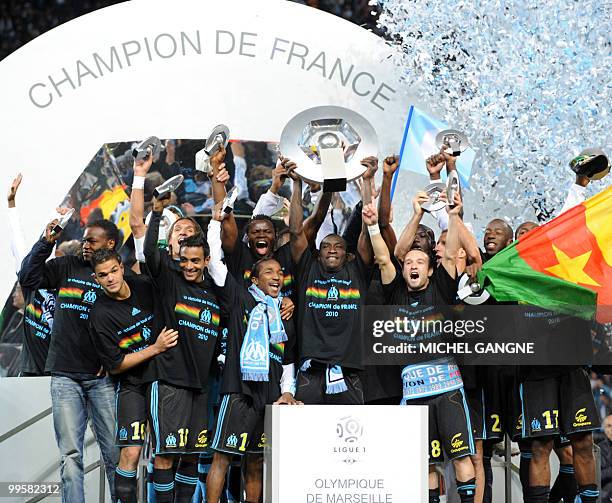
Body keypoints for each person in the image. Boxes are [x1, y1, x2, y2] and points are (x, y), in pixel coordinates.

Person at [363, 191, 477, 503]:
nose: (413, 265)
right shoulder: (395, 291)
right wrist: (373, 227)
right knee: (425, 462)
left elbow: (453, 254)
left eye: (420, 262)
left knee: (461, 457)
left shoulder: (441, 285)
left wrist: (453, 216)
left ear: (430, 269)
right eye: (409, 262)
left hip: (448, 388)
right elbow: (385, 257)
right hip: (413, 393)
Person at [18, 216, 121, 503]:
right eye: (85, 239)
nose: (85, 245)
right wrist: (45, 242)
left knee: (114, 454)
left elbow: (131, 322)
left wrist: (114, 358)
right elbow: (27, 277)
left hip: (102, 380)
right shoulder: (65, 266)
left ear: (110, 244)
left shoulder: (114, 276)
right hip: (64, 376)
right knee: (71, 455)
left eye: (92, 240)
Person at [205, 212, 299, 503]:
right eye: (269, 272)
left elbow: (286, 360)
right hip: (239, 391)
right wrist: (214, 223)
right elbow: (216, 264)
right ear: (255, 279)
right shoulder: (240, 298)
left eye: (279, 273)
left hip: (269, 396)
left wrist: (286, 392)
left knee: (256, 461)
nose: (276, 276)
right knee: (223, 457)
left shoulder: (284, 314)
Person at [143, 195, 222, 503]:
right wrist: (157, 212)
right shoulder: (169, 281)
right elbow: (150, 252)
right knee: (165, 455)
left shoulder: (215, 291)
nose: (189, 266)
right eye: (184, 260)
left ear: (205, 260)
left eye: (195, 260)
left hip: (201, 385)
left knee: (190, 456)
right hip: (170, 382)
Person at [89, 248, 178, 503]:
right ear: (96, 279)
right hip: (132, 386)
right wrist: (155, 348)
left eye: (114, 271)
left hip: (163, 381)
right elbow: (115, 365)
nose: (110, 278)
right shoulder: (99, 315)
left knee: (164, 453)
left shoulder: (145, 286)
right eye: (103, 275)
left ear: (121, 266)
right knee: (130, 453)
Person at [288, 161, 374, 405]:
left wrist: (367, 182)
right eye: (326, 246)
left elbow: (367, 229)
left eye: (338, 247)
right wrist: (296, 184)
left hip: (348, 368)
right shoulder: (309, 268)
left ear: (348, 255)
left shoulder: (356, 270)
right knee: (306, 433)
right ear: (319, 252)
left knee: (349, 435)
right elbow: (296, 232)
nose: (332, 250)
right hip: (311, 368)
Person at [600, 415, 612, 502]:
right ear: (604, 429)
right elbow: (597, 476)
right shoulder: (598, 449)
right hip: (606, 490)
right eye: (609, 426)